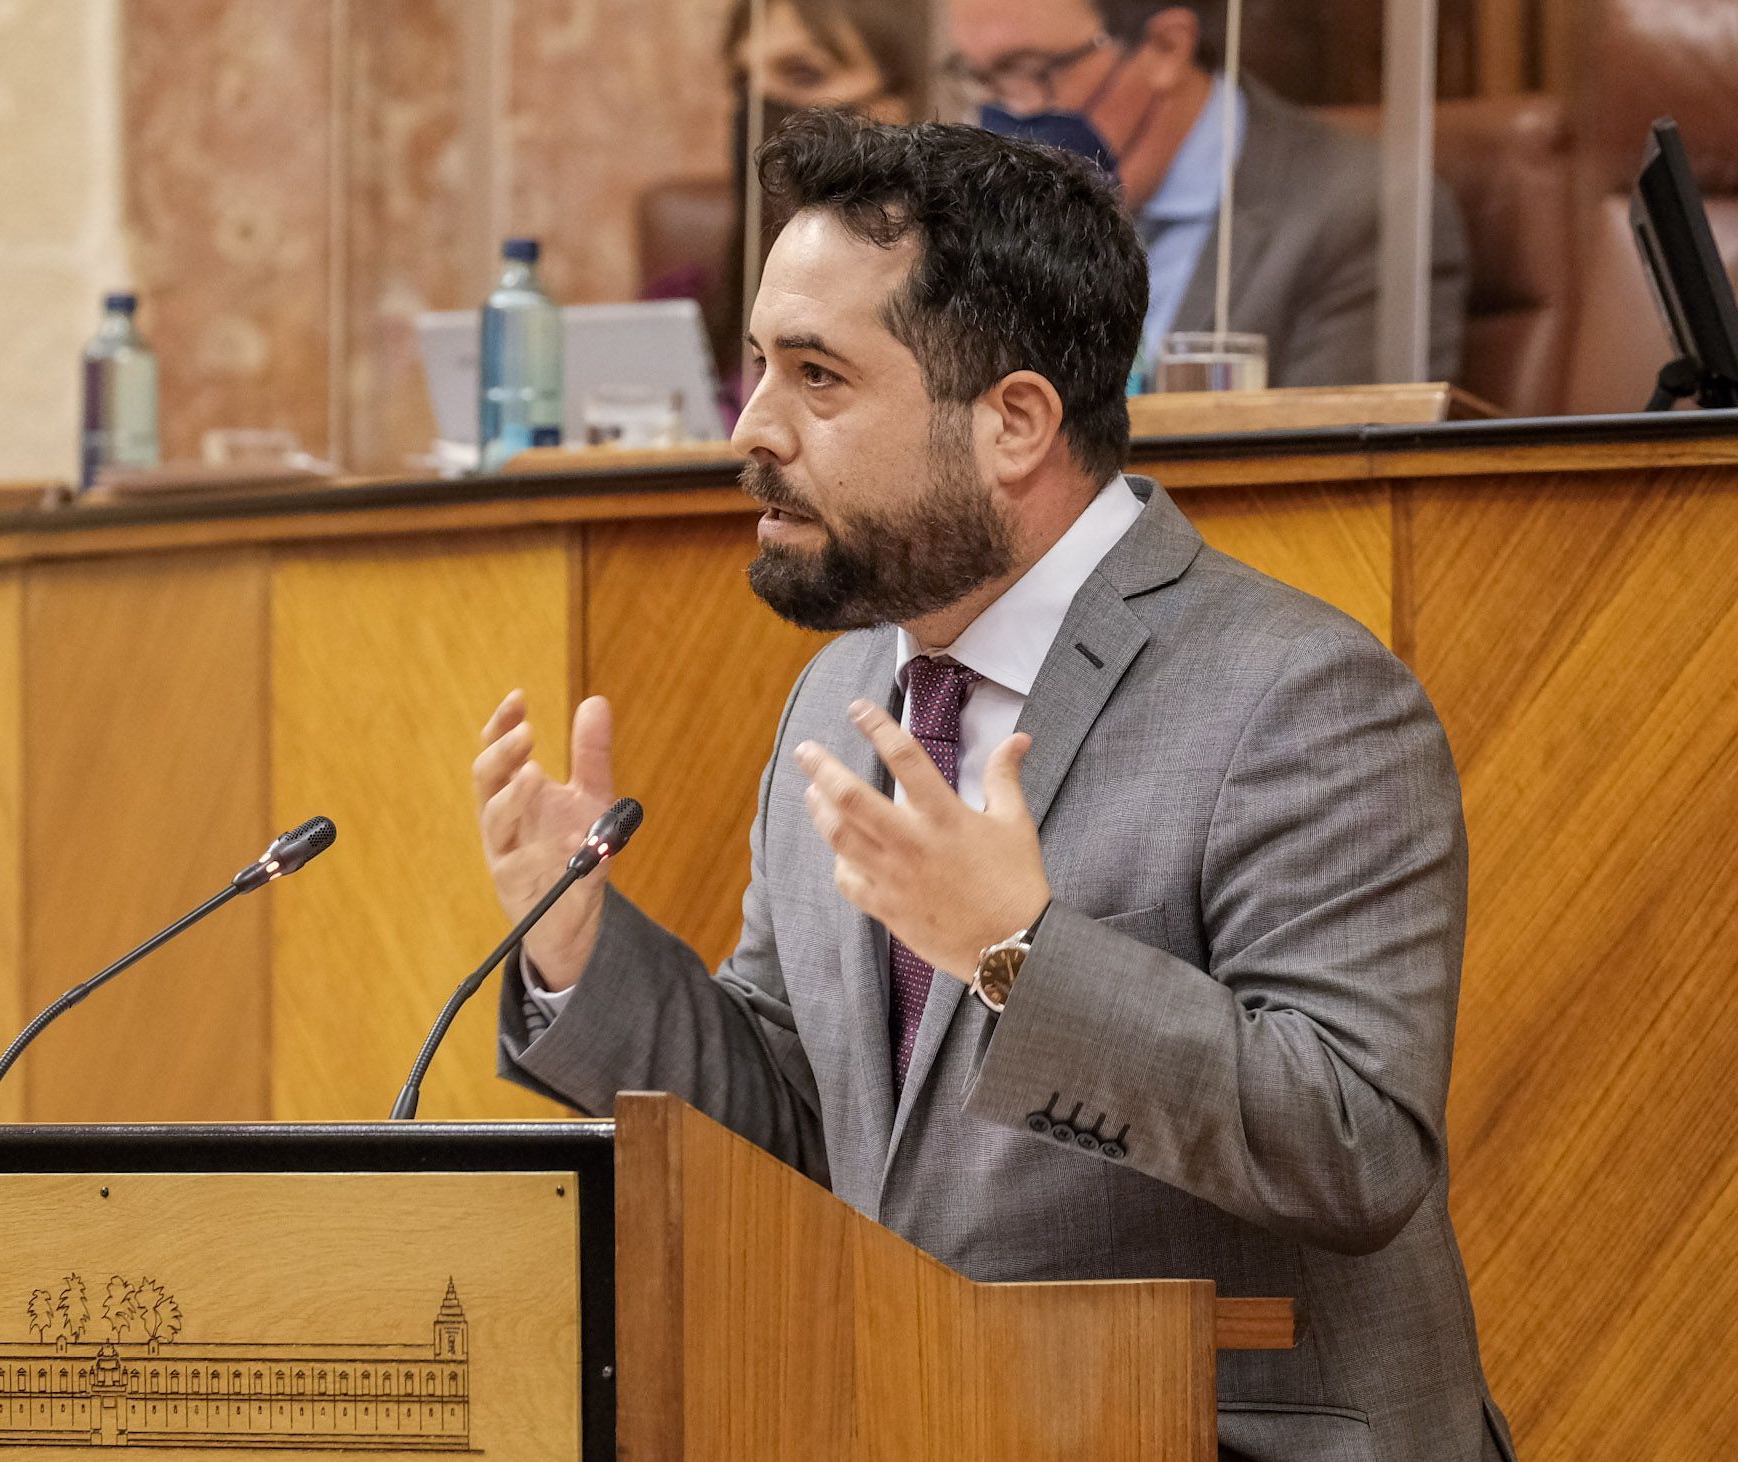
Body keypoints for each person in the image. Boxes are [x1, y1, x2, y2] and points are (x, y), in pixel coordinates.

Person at [476, 111, 1512, 1460]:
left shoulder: (1300, 695)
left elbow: (1355, 1145)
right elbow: (796, 1117)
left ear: (1014, 421)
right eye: (758, 365)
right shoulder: (843, 697)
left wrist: (1019, 952)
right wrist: (579, 950)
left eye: (817, 376)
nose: (753, 426)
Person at [947, 0, 1469, 387]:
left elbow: (1337, 480)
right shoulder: (978, 210)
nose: (1003, 112)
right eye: (977, 78)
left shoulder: (1365, 212)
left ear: (1166, 48)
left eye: (1029, 71)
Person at [644, 0, 928, 404]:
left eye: (802, 73)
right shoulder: (684, 312)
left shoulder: (946, 304)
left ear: (901, 104)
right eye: (743, 81)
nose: (759, 108)